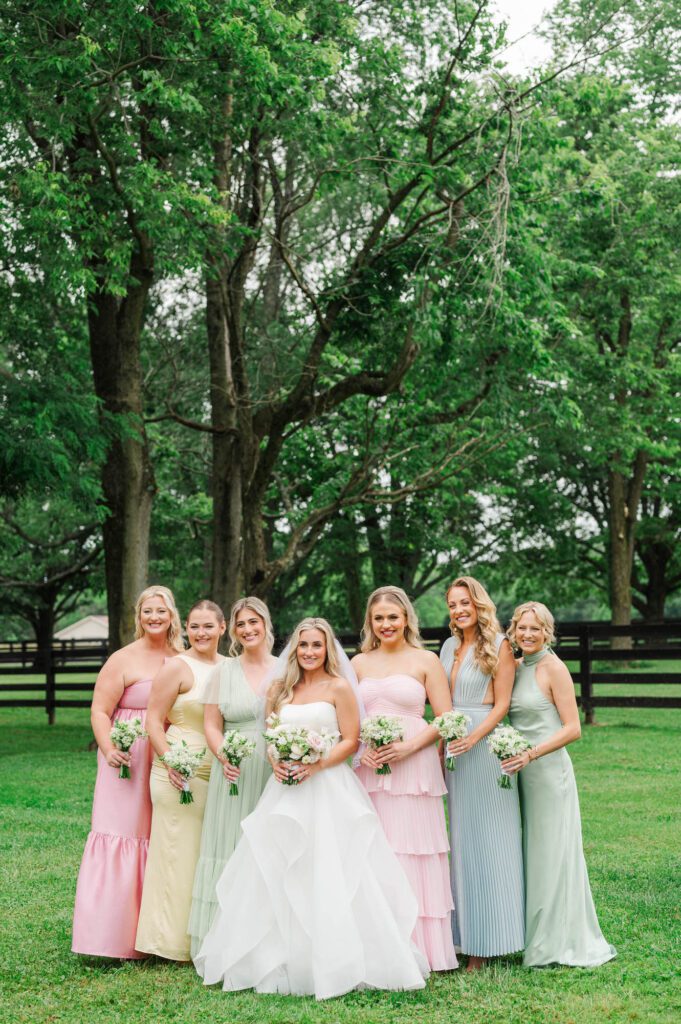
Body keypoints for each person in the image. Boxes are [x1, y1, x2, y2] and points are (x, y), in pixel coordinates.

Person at [194, 617, 428, 999]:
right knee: (278, 864)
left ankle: (339, 959)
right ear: (294, 648)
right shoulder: (279, 689)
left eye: (316, 645)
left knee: (331, 867)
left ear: (328, 649)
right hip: (284, 789)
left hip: (327, 787)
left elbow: (351, 740)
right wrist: (278, 760)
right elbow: (270, 736)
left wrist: (315, 763)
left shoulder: (339, 688)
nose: (308, 652)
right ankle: (278, 958)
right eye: (303, 645)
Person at [502, 601, 616, 968]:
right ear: (513, 630)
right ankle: (526, 932)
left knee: (551, 853)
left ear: (547, 631)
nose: (528, 634)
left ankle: (554, 941)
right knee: (529, 851)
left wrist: (531, 754)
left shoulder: (554, 668)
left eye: (535, 628)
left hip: (548, 774)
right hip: (518, 774)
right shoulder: (515, 667)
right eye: (522, 628)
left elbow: (573, 728)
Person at [72, 585, 184, 958]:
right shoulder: (122, 659)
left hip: (169, 754)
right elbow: (100, 711)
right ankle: (111, 937)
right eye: (147, 611)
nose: (154, 617)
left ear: (172, 616)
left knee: (163, 836)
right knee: (123, 832)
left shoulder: (182, 658)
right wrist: (109, 748)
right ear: (139, 617)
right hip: (129, 757)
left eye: (161, 611)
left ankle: (157, 936)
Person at [353, 585, 458, 971]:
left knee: (413, 849)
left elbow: (447, 720)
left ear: (406, 619)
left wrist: (409, 748)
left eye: (392, 617)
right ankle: (377, 944)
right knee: (375, 849)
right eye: (378, 618)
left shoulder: (426, 660)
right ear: (370, 622)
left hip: (415, 767)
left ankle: (421, 947)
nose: (386, 624)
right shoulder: (358, 663)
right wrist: (362, 747)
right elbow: (346, 717)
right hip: (370, 765)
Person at [439, 576, 524, 969]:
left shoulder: (499, 645)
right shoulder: (447, 646)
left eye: (465, 603)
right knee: (461, 841)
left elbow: (501, 705)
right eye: (453, 604)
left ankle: (490, 941)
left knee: (490, 842)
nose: (458, 611)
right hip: (453, 749)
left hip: (485, 751)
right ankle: (463, 938)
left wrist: (472, 739)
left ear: (479, 606)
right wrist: (444, 742)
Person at [135, 600, 225, 961]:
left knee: (206, 856)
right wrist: (171, 761)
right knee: (176, 854)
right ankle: (167, 943)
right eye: (194, 626)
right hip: (177, 773)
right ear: (186, 628)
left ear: (222, 628)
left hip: (218, 774)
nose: (200, 633)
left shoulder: (230, 667)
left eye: (208, 626)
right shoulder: (177, 667)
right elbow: (154, 721)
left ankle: (203, 936)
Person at [188, 597, 277, 957]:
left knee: (266, 848)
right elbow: (211, 723)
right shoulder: (223, 672)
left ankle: (266, 939)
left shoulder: (284, 669)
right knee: (230, 843)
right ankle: (220, 939)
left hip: (274, 769)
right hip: (234, 768)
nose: (247, 629)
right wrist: (225, 754)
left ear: (266, 624)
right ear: (233, 630)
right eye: (241, 624)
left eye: (253, 621)